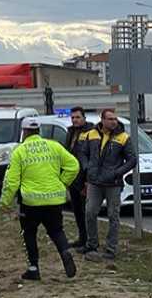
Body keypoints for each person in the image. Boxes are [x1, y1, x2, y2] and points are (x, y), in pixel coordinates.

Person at [0, 117, 79, 281]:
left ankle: (33, 268)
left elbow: (12, 181)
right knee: (57, 230)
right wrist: (62, 183)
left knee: (29, 233)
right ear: (39, 131)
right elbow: (73, 165)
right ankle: (65, 251)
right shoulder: (54, 146)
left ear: (24, 132)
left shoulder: (20, 151)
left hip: (30, 203)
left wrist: (5, 202)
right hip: (54, 200)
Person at [81, 109, 136, 261]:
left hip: (113, 183)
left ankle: (111, 248)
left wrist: (117, 172)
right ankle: (92, 244)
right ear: (102, 120)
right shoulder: (91, 134)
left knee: (113, 215)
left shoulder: (123, 137)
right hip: (94, 182)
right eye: (110, 119)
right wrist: (87, 167)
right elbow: (83, 152)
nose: (114, 122)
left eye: (115, 119)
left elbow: (132, 160)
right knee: (90, 213)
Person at [66, 106, 94, 248]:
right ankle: (82, 238)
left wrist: (87, 180)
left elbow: (91, 158)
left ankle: (90, 240)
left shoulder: (91, 132)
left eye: (77, 117)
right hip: (73, 178)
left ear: (84, 118)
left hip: (85, 178)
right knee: (77, 210)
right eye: (73, 118)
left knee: (86, 212)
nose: (75, 120)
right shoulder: (71, 132)